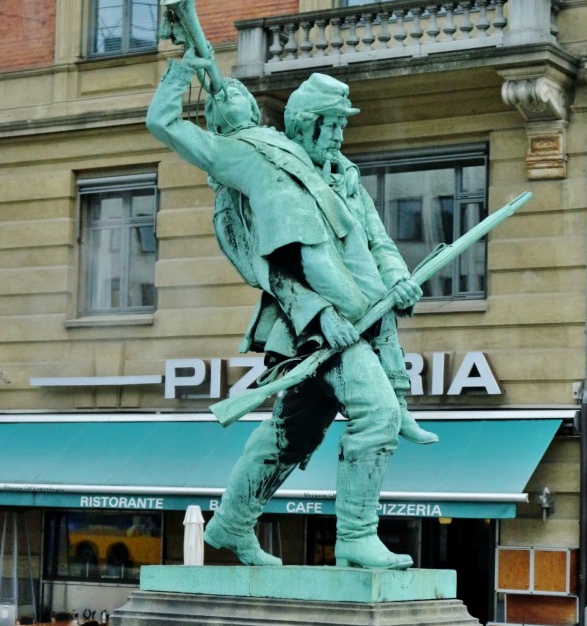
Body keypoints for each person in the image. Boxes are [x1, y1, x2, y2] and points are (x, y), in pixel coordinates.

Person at [146, 50, 437, 570]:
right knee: (377, 415)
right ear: (306, 124)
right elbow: (272, 270)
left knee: (288, 435)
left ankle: (231, 523)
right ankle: (356, 536)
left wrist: (397, 279)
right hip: (320, 327)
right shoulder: (245, 163)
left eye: (342, 126)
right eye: (332, 126)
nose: (339, 136)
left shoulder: (334, 172)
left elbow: (376, 241)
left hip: (365, 314)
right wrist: (183, 71)